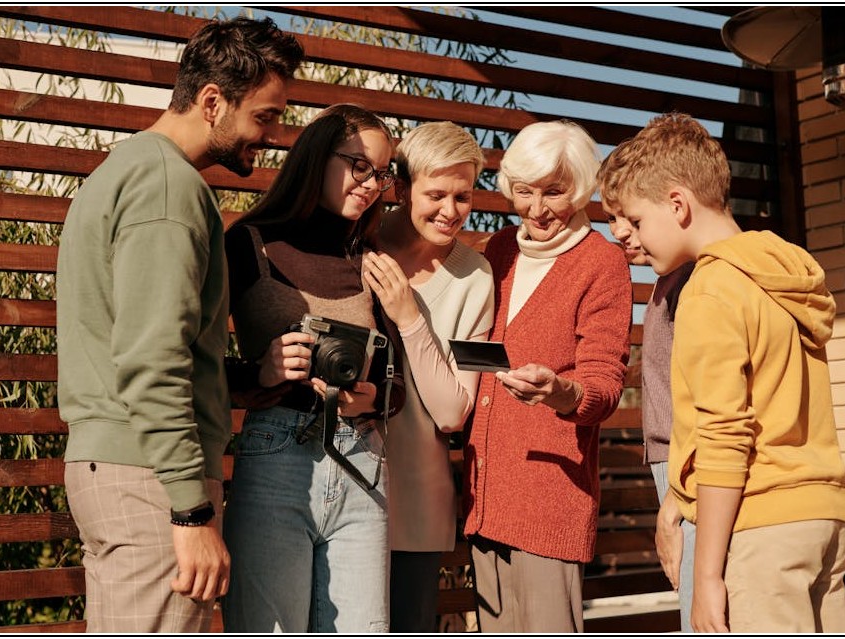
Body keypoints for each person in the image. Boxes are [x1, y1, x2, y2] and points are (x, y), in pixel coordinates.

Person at [55, 17, 303, 633]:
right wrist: (191, 512)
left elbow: (142, 342)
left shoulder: (125, 171)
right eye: (265, 117)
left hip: (118, 466)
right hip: (151, 480)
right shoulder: (169, 188)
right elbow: (153, 357)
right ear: (213, 101)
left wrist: (242, 380)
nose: (269, 137)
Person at [601, 112, 845, 633]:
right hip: (825, 518)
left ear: (678, 204)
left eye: (639, 222)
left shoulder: (711, 289)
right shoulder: (782, 269)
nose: (634, 238)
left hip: (761, 529)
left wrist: (707, 574)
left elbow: (724, 435)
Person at [221, 103, 404, 633]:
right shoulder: (249, 242)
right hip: (278, 459)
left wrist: (372, 398)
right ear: (316, 158)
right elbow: (193, 360)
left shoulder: (366, 256)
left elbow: (395, 384)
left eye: (382, 173)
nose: (371, 184)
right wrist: (261, 371)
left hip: (363, 461)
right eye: (359, 166)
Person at [462, 120, 633, 633]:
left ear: (580, 190)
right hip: (484, 493)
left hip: (548, 494)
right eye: (524, 192)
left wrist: (562, 393)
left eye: (554, 193)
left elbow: (604, 384)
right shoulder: (498, 252)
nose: (537, 209)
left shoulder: (602, 264)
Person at [362, 121, 495, 632]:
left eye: (463, 196)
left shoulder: (475, 276)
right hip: (340, 484)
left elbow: (453, 410)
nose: (450, 211)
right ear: (401, 187)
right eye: (436, 193)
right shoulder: (361, 242)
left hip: (416, 503)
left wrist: (409, 316)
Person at [599, 166, 696, 632]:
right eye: (611, 218)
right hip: (675, 469)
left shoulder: (693, 281)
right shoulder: (665, 278)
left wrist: (676, 499)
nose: (617, 231)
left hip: (694, 474)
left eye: (629, 219)